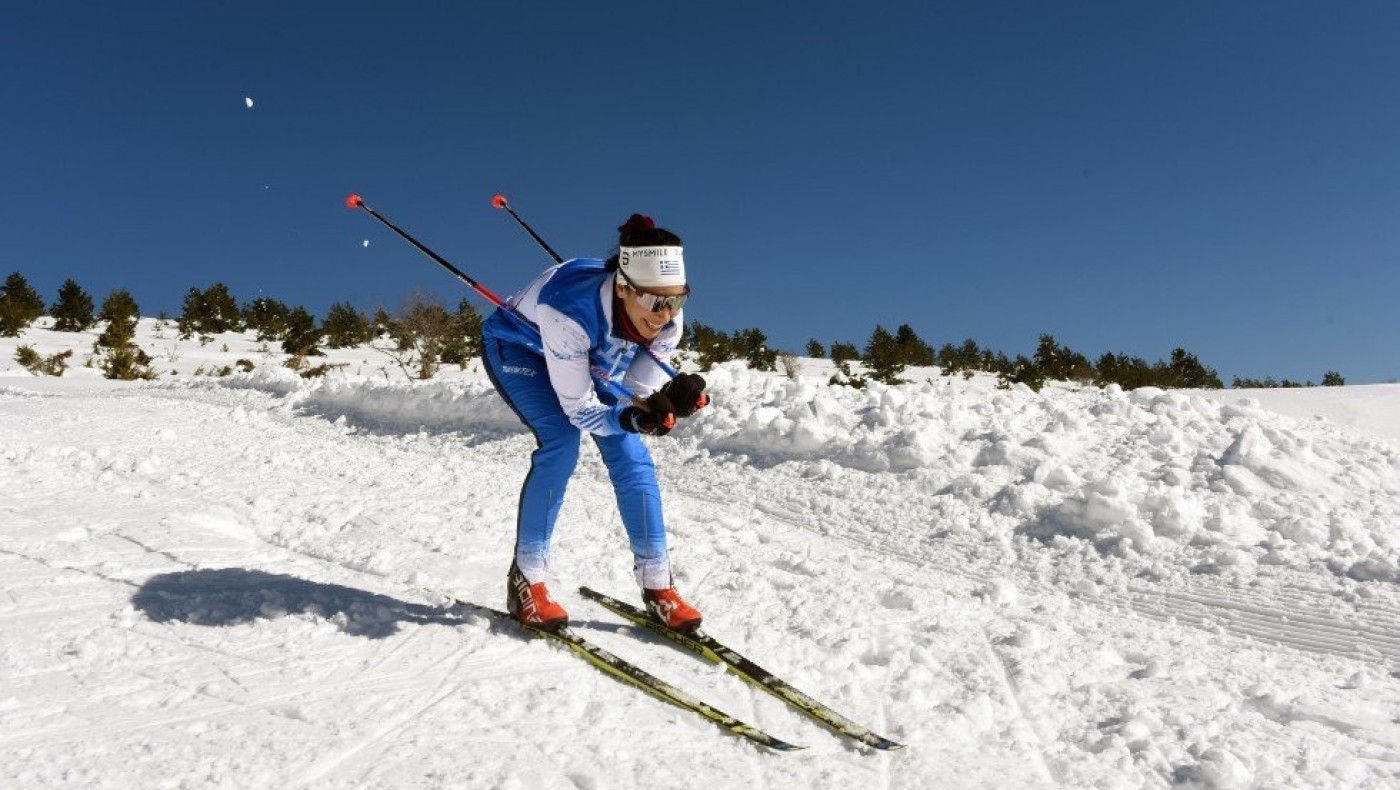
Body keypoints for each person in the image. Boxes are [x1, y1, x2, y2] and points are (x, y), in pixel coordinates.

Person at [481, 213, 710, 633]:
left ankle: (658, 585)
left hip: (587, 355)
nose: (663, 314)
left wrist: (657, 405)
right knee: (561, 443)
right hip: (520, 348)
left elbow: (635, 390)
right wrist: (631, 417)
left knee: (631, 456)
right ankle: (527, 579)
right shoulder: (568, 310)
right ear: (624, 288)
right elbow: (581, 409)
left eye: (675, 300)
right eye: (652, 301)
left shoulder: (668, 317)